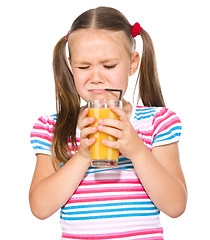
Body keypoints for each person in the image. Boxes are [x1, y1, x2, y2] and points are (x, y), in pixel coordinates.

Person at [29, 6, 187, 240]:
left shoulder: (156, 122)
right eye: (84, 67)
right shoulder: (54, 127)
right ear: (72, 67)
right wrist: (82, 156)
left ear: (133, 63)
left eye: (109, 66)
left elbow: (175, 206)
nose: (95, 77)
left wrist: (137, 151)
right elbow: (40, 208)